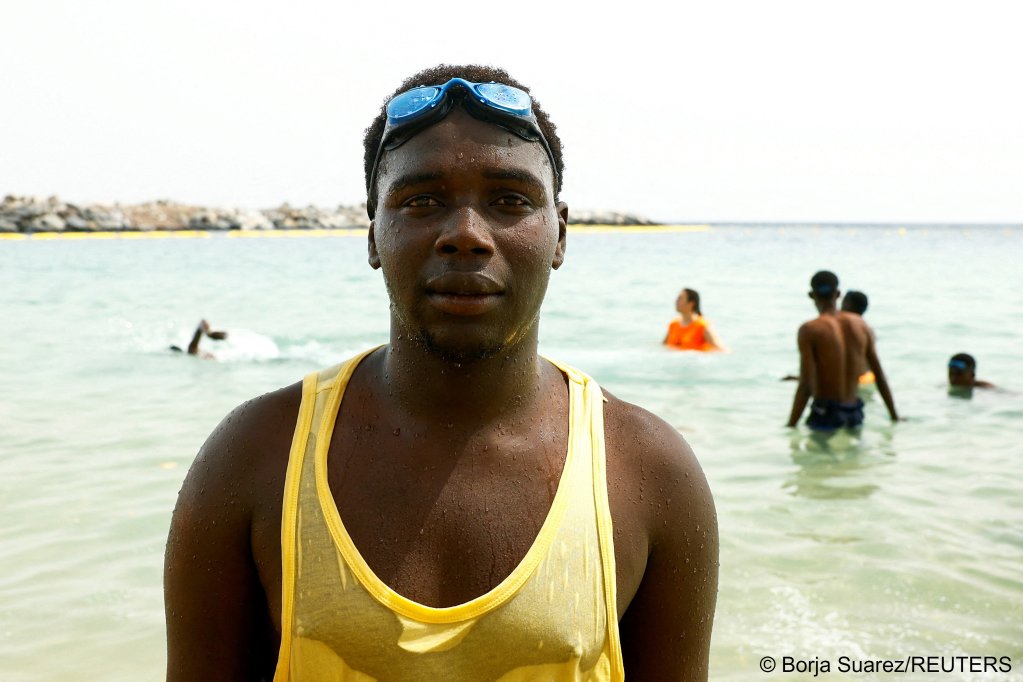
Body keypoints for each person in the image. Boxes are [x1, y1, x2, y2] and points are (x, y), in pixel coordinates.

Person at [164, 64, 718, 681]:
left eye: (510, 200)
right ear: (373, 231)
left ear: (560, 232)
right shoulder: (255, 455)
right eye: (422, 200)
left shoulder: (648, 472)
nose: (465, 235)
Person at [786, 271, 900, 430]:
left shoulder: (810, 329)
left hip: (826, 412)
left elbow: (806, 385)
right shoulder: (861, 325)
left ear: (812, 295)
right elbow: (879, 376)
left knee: (819, 454)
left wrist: (790, 425)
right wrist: (895, 416)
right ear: (838, 293)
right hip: (854, 411)